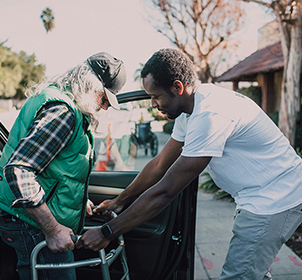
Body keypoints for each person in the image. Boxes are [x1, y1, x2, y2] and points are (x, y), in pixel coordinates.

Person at [76, 48, 302, 280]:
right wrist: (119, 201)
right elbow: (159, 165)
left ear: (178, 87)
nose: (153, 104)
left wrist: (107, 232)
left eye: (156, 96)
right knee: (252, 272)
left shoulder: (210, 114)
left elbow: (165, 191)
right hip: (257, 196)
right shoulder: (190, 109)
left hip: (275, 199)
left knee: (239, 276)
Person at [0, 52, 126, 280]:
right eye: (104, 98)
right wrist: (53, 229)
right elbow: (19, 170)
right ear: (90, 85)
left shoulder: (59, 102)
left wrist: (77, 201)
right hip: (32, 223)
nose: (105, 107)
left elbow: (54, 168)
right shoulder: (63, 112)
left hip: (29, 216)